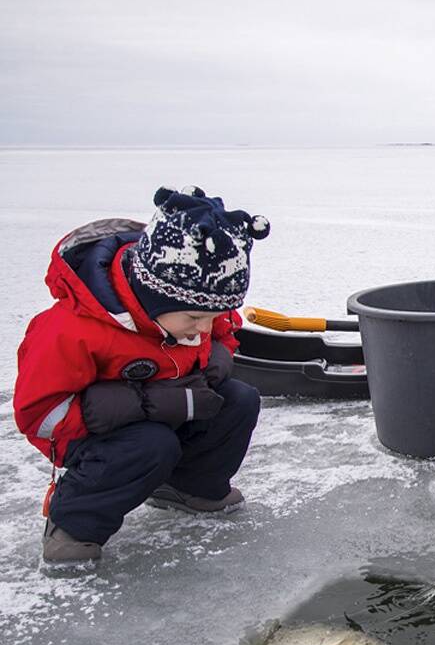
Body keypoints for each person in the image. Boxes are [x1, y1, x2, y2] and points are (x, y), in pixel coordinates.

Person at [13, 186, 270, 568]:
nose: (204, 328)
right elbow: (41, 416)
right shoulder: (71, 330)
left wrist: (217, 356)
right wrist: (146, 402)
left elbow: (224, 330)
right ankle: (73, 524)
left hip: (172, 408)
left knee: (239, 400)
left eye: (214, 316)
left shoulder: (196, 309)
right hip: (91, 435)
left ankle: (188, 487)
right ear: (154, 298)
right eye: (195, 319)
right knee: (152, 444)